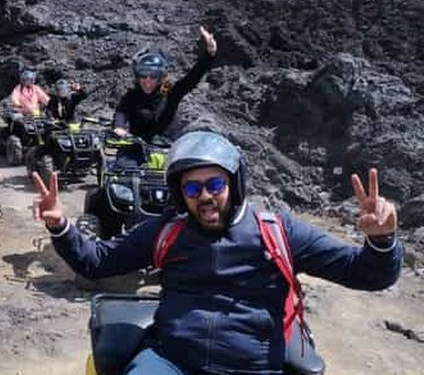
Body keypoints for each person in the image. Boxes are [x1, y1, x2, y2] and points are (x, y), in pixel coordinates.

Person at [32, 131, 402, 375]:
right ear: (180, 194)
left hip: (252, 367)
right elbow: (95, 262)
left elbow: (365, 274)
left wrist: (381, 242)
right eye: (192, 189)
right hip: (171, 361)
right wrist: (59, 226)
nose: (205, 196)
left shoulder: (277, 231)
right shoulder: (168, 231)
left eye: (214, 183)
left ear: (234, 183)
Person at [112, 26, 217, 168]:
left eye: (153, 76)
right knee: (124, 172)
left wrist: (209, 54)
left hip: (166, 148)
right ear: (138, 76)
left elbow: (192, 78)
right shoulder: (132, 96)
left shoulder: (171, 93)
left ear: (160, 78)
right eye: (143, 75)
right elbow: (121, 112)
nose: (147, 80)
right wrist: (119, 127)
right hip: (134, 148)